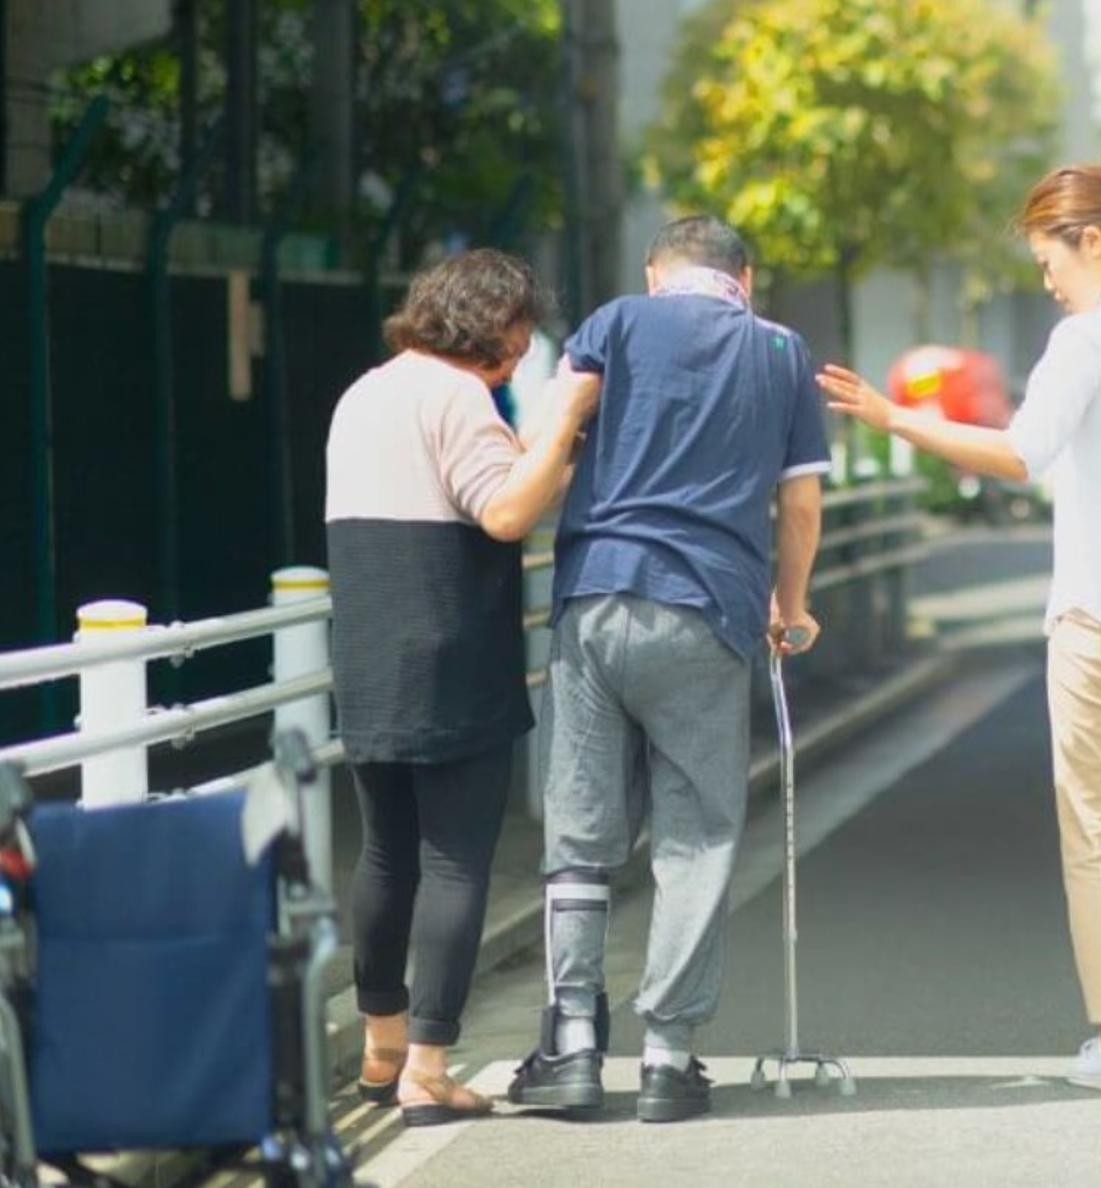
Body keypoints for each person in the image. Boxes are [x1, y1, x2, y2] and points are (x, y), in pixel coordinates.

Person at [819, 164, 1101, 1095]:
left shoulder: (1085, 341)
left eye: (1050, 260)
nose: (1047, 281)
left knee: (1099, 837)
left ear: (1093, 240)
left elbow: (1021, 453)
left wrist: (894, 418)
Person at [507, 215, 829, 1123]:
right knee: (695, 835)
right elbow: (800, 504)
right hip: (708, 609)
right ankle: (667, 1057)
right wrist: (791, 604)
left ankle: (572, 1042)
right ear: (745, 279)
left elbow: (556, 427)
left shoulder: (614, 322)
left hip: (596, 595)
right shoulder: (780, 352)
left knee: (580, 833)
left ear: (656, 273)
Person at [324, 249, 599, 1126]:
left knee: (384, 855)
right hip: (450, 652)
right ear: (486, 324)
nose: (520, 353)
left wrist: (543, 453)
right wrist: (567, 417)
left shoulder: (364, 393)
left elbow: (481, 484)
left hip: (368, 652)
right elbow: (505, 512)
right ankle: (430, 1067)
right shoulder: (457, 396)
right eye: (518, 333)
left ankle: (382, 1048)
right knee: (454, 861)